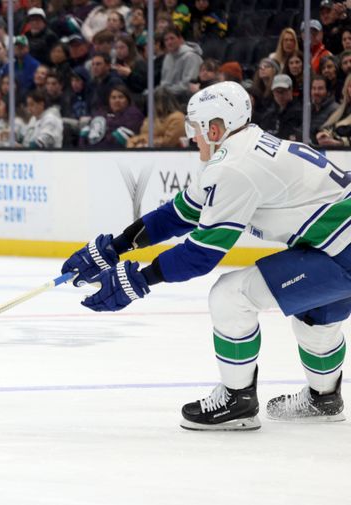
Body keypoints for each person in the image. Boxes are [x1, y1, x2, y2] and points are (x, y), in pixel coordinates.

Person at [62, 81, 347, 430]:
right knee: (315, 316)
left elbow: (201, 255)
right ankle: (324, 398)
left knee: (230, 297)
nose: (190, 137)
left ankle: (237, 401)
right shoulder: (240, 149)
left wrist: (138, 279)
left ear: (215, 128)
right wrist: (114, 248)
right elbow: (178, 214)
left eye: (194, 128)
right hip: (336, 248)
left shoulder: (233, 167)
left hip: (341, 254)